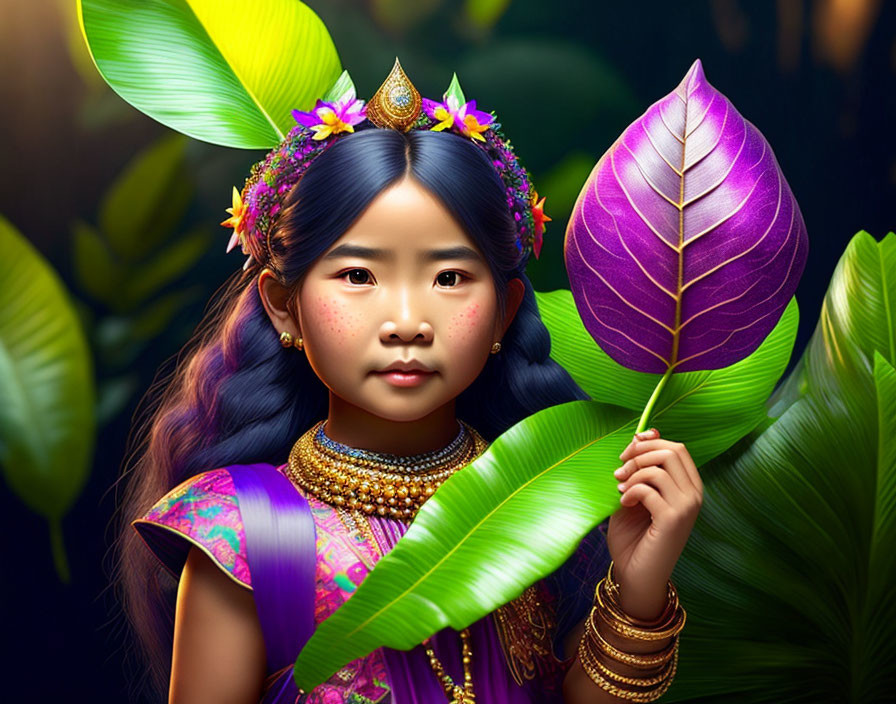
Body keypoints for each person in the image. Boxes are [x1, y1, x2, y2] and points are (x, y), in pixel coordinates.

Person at [116, 60, 702, 703]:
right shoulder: (245, 533)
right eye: (358, 276)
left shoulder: (539, 500)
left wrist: (638, 594)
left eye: (448, 278)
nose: (406, 323)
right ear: (285, 305)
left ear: (505, 309)